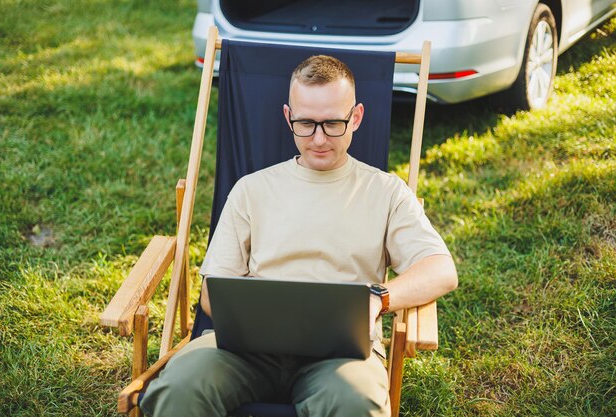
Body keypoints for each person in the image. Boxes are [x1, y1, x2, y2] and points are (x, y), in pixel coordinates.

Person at [140, 55, 458, 417]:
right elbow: (213, 294)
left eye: (333, 123)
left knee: (356, 403)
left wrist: (379, 300)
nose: (319, 138)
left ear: (356, 117)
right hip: (247, 350)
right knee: (178, 386)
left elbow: (440, 269)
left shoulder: (385, 192)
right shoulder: (251, 190)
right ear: (288, 117)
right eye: (306, 123)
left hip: (342, 357)